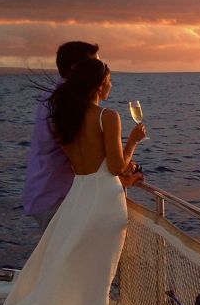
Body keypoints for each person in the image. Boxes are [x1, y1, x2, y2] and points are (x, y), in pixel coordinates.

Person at [0, 58, 147, 305]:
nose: (111, 85)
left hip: (78, 200)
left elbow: (90, 168)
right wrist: (133, 141)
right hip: (105, 204)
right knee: (96, 282)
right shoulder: (109, 116)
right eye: (109, 79)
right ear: (98, 85)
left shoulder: (64, 120)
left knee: (77, 276)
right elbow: (117, 167)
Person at [24, 42, 144, 232]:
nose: (100, 70)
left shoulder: (57, 97)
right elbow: (94, 160)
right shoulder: (64, 103)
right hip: (60, 197)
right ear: (75, 69)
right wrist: (127, 154)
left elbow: (82, 153)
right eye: (95, 65)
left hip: (50, 193)